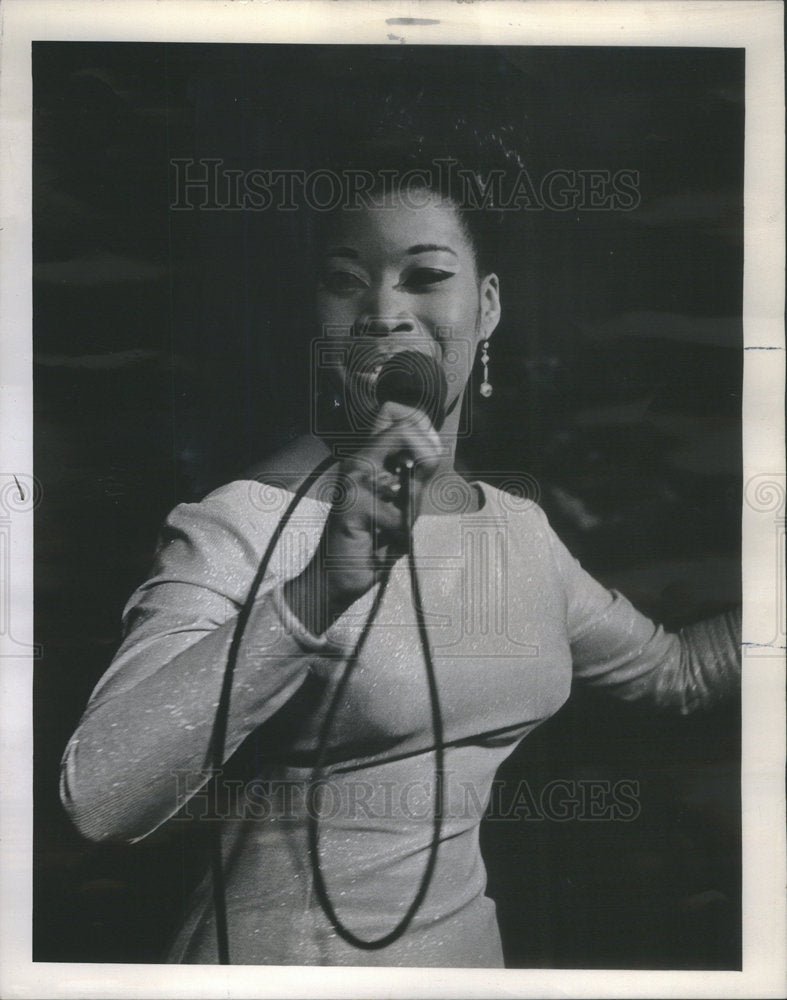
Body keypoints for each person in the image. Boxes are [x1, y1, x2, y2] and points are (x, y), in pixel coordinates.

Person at [59, 141, 741, 967]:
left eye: (425, 276)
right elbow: (98, 796)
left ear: (486, 307)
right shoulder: (240, 524)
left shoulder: (515, 529)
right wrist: (315, 593)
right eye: (347, 279)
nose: (382, 310)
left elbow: (678, 672)